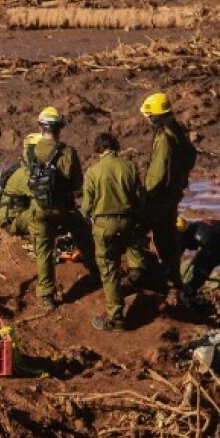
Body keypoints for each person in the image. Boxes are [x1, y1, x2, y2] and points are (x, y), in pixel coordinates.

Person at [22, 107, 98, 311]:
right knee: (83, 234)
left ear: (40, 127)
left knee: (44, 251)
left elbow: (26, 178)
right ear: (59, 128)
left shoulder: (29, 151)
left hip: (39, 209)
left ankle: (47, 296)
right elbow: (76, 184)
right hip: (64, 209)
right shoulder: (68, 152)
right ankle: (96, 273)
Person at [128, 92, 197, 306]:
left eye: (149, 116)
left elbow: (157, 175)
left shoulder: (164, 137)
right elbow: (192, 155)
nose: (147, 120)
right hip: (172, 197)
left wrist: (144, 197)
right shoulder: (177, 132)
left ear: (155, 116)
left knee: (133, 229)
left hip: (158, 198)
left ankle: (136, 274)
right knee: (166, 240)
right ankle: (173, 283)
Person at [81, 133, 143, 331]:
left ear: (98, 150)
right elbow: (140, 199)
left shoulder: (92, 172)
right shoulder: (130, 167)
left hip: (104, 226)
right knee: (131, 247)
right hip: (128, 223)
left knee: (108, 270)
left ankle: (115, 318)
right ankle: (136, 274)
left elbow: (86, 207)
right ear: (116, 147)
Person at [0, 133, 41, 237]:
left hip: (19, 217)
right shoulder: (25, 173)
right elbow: (43, 196)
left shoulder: (23, 168)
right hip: (11, 223)